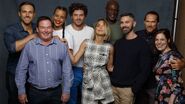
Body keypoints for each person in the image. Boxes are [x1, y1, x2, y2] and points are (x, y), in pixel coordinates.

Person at [15, 16, 73, 104]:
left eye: (48, 27)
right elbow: (21, 70)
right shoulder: (29, 46)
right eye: (42, 27)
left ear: (52, 29)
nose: (46, 30)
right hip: (35, 93)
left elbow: (67, 70)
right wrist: (21, 91)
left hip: (56, 93)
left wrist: (66, 91)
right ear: (37, 29)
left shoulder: (61, 46)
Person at [135, 11, 185, 104]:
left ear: (157, 23)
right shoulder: (137, 35)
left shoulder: (163, 37)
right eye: (148, 21)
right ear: (144, 22)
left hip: (154, 85)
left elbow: (179, 60)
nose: (150, 24)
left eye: (153, 22)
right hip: (140, 83)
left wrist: (182, 63)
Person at [68, 18, 114, 104]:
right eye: (98, 25)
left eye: (103, 26)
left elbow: (110, 68)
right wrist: (66, 46)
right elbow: (74, 61)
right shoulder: (86, 43)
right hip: (88, 80)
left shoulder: (109, 47)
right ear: (95, 28)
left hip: (103, 80)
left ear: (107, 29)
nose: (100, 27)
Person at [110, 13, 151, 104]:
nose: (124, 25)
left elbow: (145, 70)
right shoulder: (118, 43)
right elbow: (114, 64)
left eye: (127, 22)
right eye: (122, 22)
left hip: (128, 91)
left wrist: (134, 88)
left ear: (134, 23)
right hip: (113, 88)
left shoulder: (142, 44)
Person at [3, 1, 36, 104]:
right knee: (15, 101)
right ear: (19, 13)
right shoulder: (10, 30)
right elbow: (12, 48)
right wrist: (32, 36)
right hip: (14, 73)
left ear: (34, 14)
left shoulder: (38, 27)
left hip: (33, 74)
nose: (27, 14)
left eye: (30, 12)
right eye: (24, 12)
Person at [65, 3, 94, 104]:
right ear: (71, 16)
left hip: (87, 70)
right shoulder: (66, 30)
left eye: (81, 15)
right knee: (72, 100)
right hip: (71, 70)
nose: (78, 18)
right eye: (75, 15)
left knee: (88, 100)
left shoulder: (91, 31)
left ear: (85, 16)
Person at [153, 28, 185, 104]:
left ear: (168, 40)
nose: (159, 42)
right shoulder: (161, 55)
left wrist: (171, 101)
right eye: (156, 40)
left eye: (162, 39)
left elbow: (178, 83)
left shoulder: (172, 57)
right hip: (162, 96)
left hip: (171, 98)